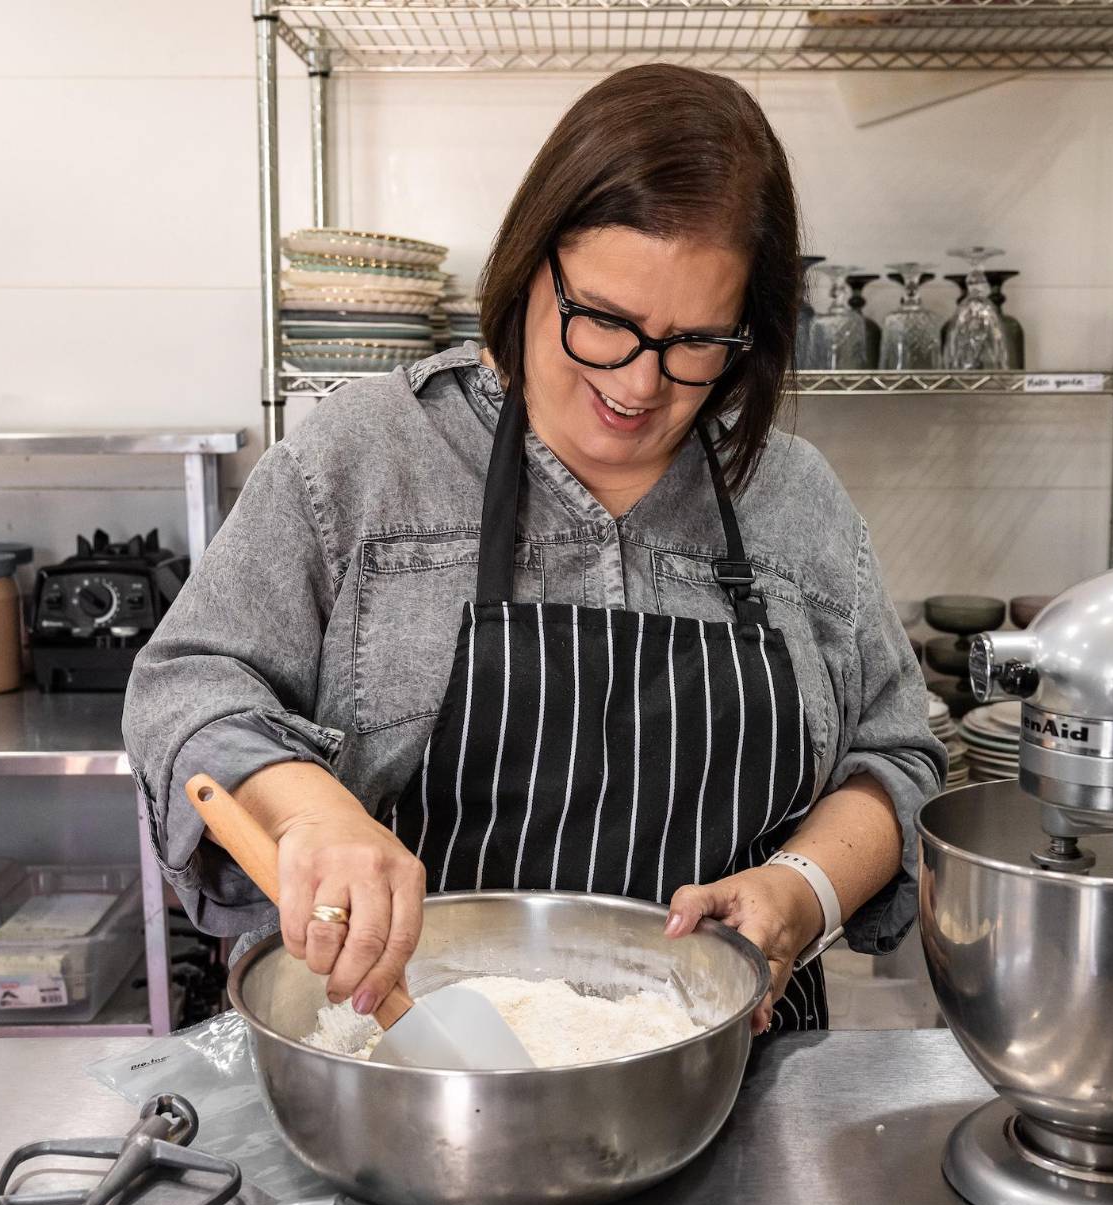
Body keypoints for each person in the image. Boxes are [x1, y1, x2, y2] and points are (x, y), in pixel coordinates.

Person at [123, 64, 943, 1034]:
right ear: (527, 266)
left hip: (733, 1077)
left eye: (694, 342)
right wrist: (309, 813)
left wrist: (800, 888)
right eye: (603, 321)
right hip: (412, 1062)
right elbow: (187, 687)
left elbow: (894, 754)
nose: (638, 385)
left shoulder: (792, 498)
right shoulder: (366, 460)